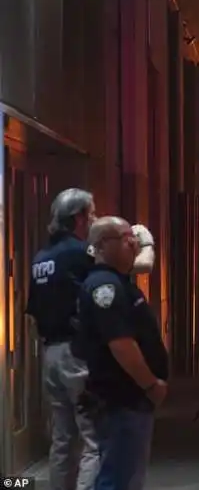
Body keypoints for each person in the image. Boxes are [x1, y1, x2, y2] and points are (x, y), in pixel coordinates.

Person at [25, 188, 158, 490]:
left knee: (62, 440)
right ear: (79, 217)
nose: (96, 218)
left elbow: (33, 310)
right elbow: (136, 266)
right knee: (94, 439)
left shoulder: (41, 258)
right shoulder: (79, 251)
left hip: (51, 354)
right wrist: (143, 241)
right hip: (77, 354)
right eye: (93, 213)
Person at [76, 216, 168, 490]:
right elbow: (121, 343)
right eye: (125, 237)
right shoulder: (106, 287)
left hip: (128, 400)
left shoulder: (119, 281)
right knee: (118, 479)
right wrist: (150, 384)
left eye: (134, 238)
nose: (133, 242)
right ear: (103, 245)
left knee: (124, 475)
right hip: (122, 399)